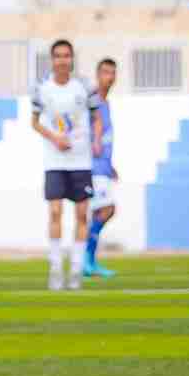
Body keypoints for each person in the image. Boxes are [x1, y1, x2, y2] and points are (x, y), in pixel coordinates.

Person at [29, 39, 102, 291]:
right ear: (52, 60)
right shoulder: (41, 88)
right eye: (58, 56)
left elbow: (96, 117)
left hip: (81, 160)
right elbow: (34, 122)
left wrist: (96, 140)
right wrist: (54, 138)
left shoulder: (85, 86)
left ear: (72, 58)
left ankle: (76, 269)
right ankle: (56, 268)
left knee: (82, 214)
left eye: (66, 55)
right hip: (54, 160)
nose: (62, 60)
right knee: (55, 211)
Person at [84, 58, 117, 279]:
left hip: (103, 167)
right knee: (107, 210)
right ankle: (86, 258)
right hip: (93, 168)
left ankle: (90, 262)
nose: (110, 77)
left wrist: (110, 165)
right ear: (98, 74)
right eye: (106, 72)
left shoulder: (106, 103)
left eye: (113, 73)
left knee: (99, 212)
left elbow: (105, 137)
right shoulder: (93, 100)